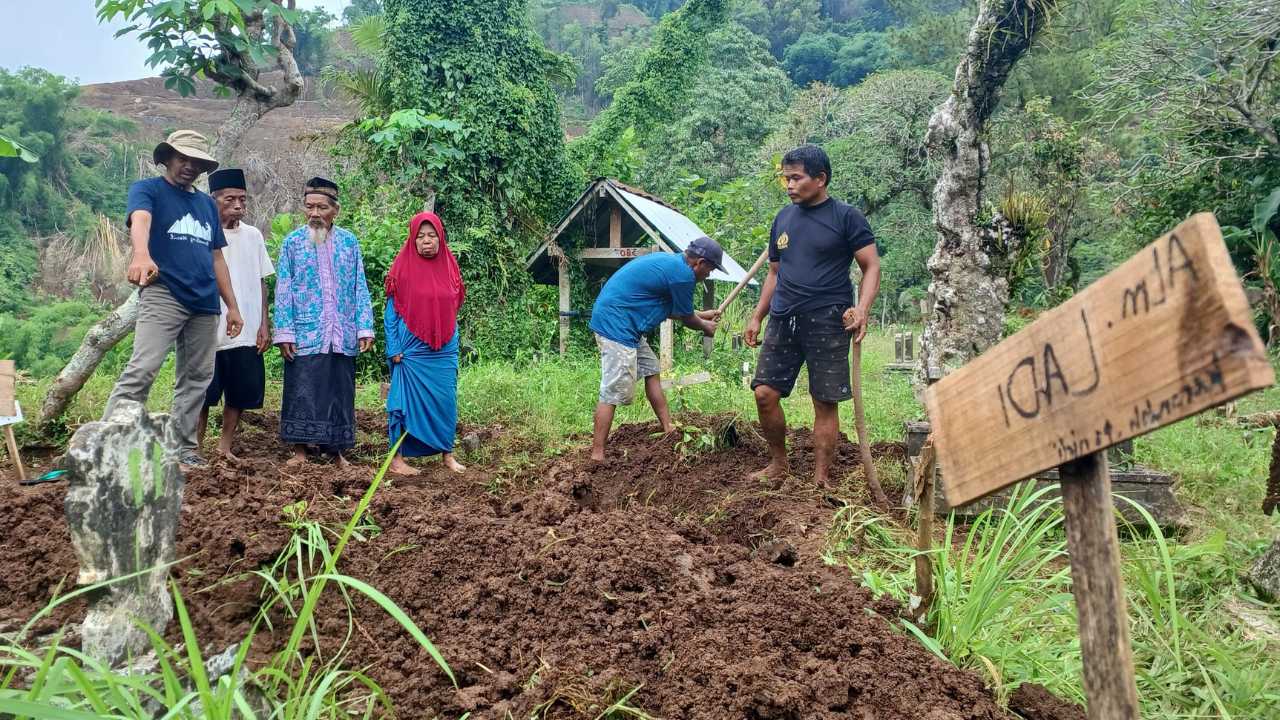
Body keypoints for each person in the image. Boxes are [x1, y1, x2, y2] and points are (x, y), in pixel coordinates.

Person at [103, 130, 244, 469]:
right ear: (167, 158)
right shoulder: (148, 190)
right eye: (183, 158)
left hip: (205, 302)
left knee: (197, 377)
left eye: (195, 161)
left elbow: (216, 258)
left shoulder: (206, 205)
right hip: (164, 292)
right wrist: (141, 254)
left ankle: (182, 448)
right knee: (143, 368)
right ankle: (107, 446)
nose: (189, 166)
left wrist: (233, 306)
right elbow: (141, 220)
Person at [745, 144, 881, 487]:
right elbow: (774, 273)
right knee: (764, 393)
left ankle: (821, 477)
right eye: (785, 179)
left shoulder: (846, 217)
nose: (789, 185)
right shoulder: (783, 219)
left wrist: (862, 309)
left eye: (796, 178)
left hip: (828, 318)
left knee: (824, 400)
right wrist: (758, 315)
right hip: (783, 317)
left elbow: (871, 266)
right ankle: (779, 463)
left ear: (820, 179)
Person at [589, 238, 723, 461]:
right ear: (700, 263)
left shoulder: (674, 265)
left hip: (627, 325)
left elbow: (671, 308)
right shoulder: (683, 276)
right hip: (616, 326)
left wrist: (702, 315)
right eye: (710, 269)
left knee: (652, 369)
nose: (709, 275)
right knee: (613, 390)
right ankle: (597, 454)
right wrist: (704, 326)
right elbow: (687, 318)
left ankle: (668, 428)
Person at [272, 177, 375, 467]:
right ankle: (301, 451)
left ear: (335, 210)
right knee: (303, 387)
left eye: (321, 207)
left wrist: (363, 326)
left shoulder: (349, 242)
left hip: (341, 330)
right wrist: (285, 332)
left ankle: (337, 452)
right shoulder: (292, 243)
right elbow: (284, 288)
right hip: (306, 330)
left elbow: (359, 285)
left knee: (339, 390)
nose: (314, 214)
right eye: (309, 207)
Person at [196, 168, 274, 461]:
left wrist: (264, 325)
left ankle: (224, 447)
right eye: (230, 199)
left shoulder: (253, 236)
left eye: (242, 199)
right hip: (208, 330)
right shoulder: (202, 235)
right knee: (202, 395)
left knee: (239, 395)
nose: (238, 206)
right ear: (213, 200)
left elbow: (261, 281)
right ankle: (195, 449)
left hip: (247, 329)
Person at [383, 212, 467, 476]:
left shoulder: (450, 267)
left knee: (446, 400)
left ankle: (447, 454)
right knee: (403, 400)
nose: (426, 241)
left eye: (432, 236)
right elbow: (391, 312)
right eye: (420, 237)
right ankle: (397, 459)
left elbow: (454, 305)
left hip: (443, 348)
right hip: (411, 349)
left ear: (441, 238)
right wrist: (394, 346)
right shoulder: (402, 268)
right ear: (413, 239)